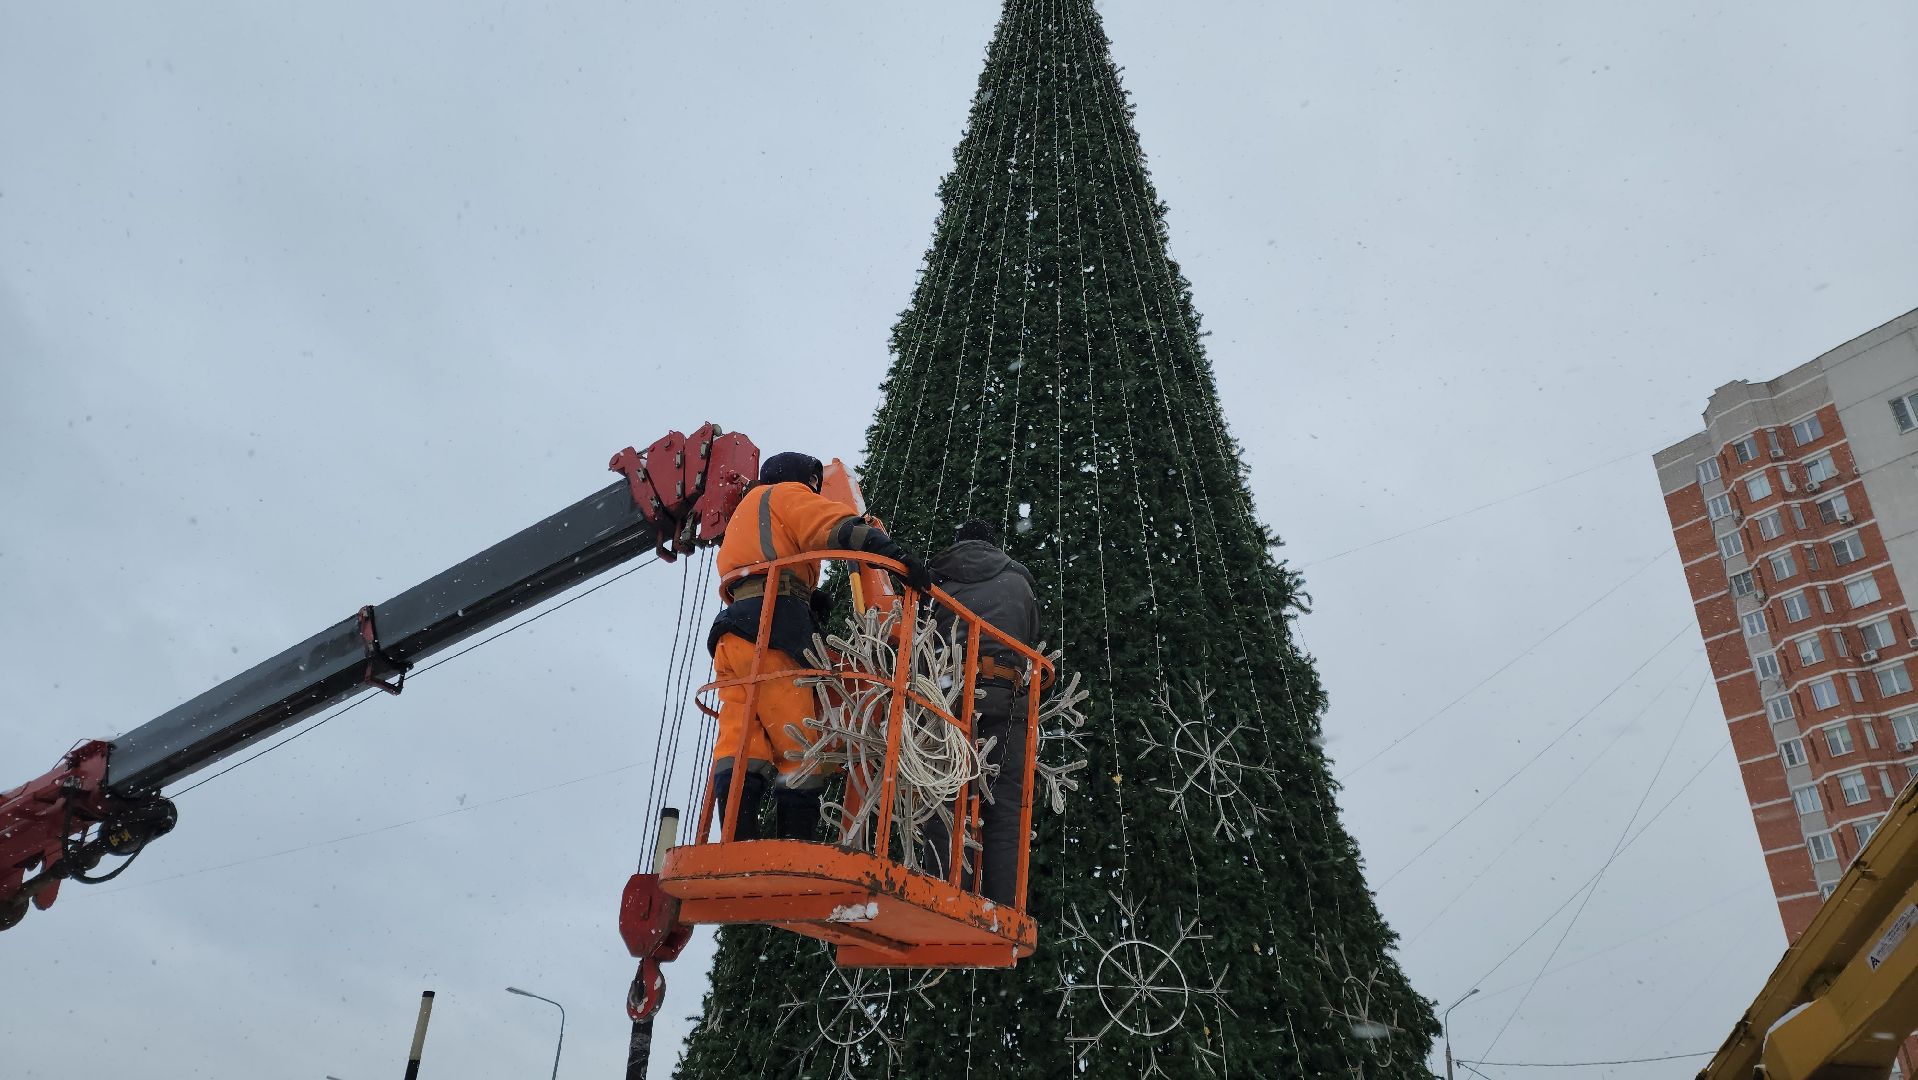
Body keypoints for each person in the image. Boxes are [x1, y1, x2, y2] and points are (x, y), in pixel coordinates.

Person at [706, 451, 933, 842]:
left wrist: (807, 598)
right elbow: (834, 527)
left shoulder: (745, 511)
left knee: (742, 735)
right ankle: (793, 843)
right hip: (773, 625)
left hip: (733, 629)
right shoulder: (786, 494)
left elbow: (759, 564)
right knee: (800, 739)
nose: (814, 490)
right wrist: (892, 554)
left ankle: (734, 839)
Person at [922, 519, 1039, 906]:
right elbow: (1033, 637)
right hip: (1008, 698)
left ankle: (942, 894)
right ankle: (1003, 905)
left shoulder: (937, 583)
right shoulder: (1018, 583)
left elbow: (921, 639)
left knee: (945, 798)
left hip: (950, 696)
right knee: (1004, 808)